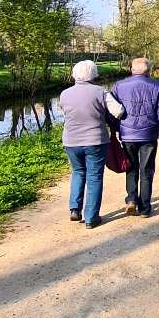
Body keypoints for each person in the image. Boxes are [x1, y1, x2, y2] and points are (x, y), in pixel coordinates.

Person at [59, 60, 125, 229]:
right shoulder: (100, 92)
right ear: (94, 74)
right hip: (95, 140)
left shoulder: (64, 94)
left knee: (78, 172)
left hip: (71, 141)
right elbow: (118, 111)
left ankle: (75, 209)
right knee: (94, 177)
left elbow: (65, 112)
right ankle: (91, 217)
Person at [111, 57, 159, 217]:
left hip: (127, 135)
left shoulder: (118, 86)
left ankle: (131, 199)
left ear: (132, 69)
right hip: (148, 135)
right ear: (149, 70)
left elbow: (111, 110)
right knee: (147, 170)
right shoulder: (158, 86)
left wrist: (118, 127)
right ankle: (145, 207)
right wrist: (156, 125)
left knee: (131, 168)